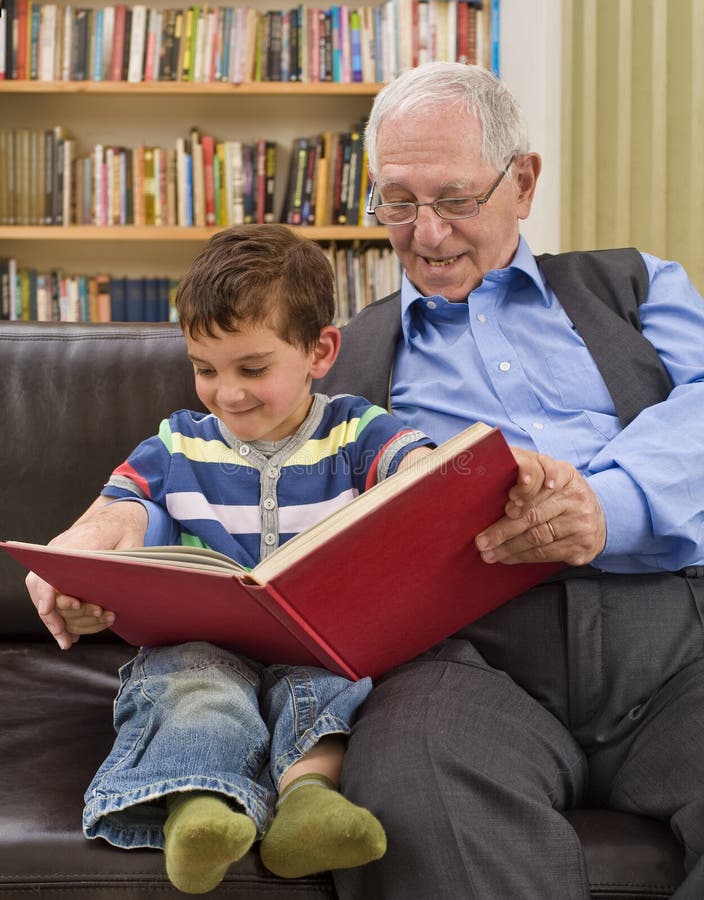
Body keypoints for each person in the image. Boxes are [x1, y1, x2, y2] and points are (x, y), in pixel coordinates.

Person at [28, 223, 568, 895]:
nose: (227, 394)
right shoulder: (177, 445)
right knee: (193, 686)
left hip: (317, 649)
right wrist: (73, 565)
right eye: (205, 369)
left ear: (320, 351)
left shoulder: (355, 430)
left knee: (331, 696)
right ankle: (202, 807)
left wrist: (484, 475)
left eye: (252, 368)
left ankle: (309, 803)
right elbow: (114, 516)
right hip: (203, 645)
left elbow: (421, 474)